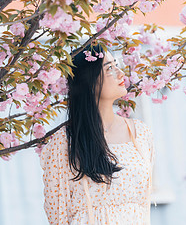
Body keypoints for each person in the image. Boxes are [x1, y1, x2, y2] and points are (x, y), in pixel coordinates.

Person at [40, 42, 155, 225]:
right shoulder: (64, 142)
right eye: (109, 68)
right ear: (89, 80)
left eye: (116, 64)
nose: (121, 73)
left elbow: (143, 204)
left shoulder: (140, 133)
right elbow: (58, 215)